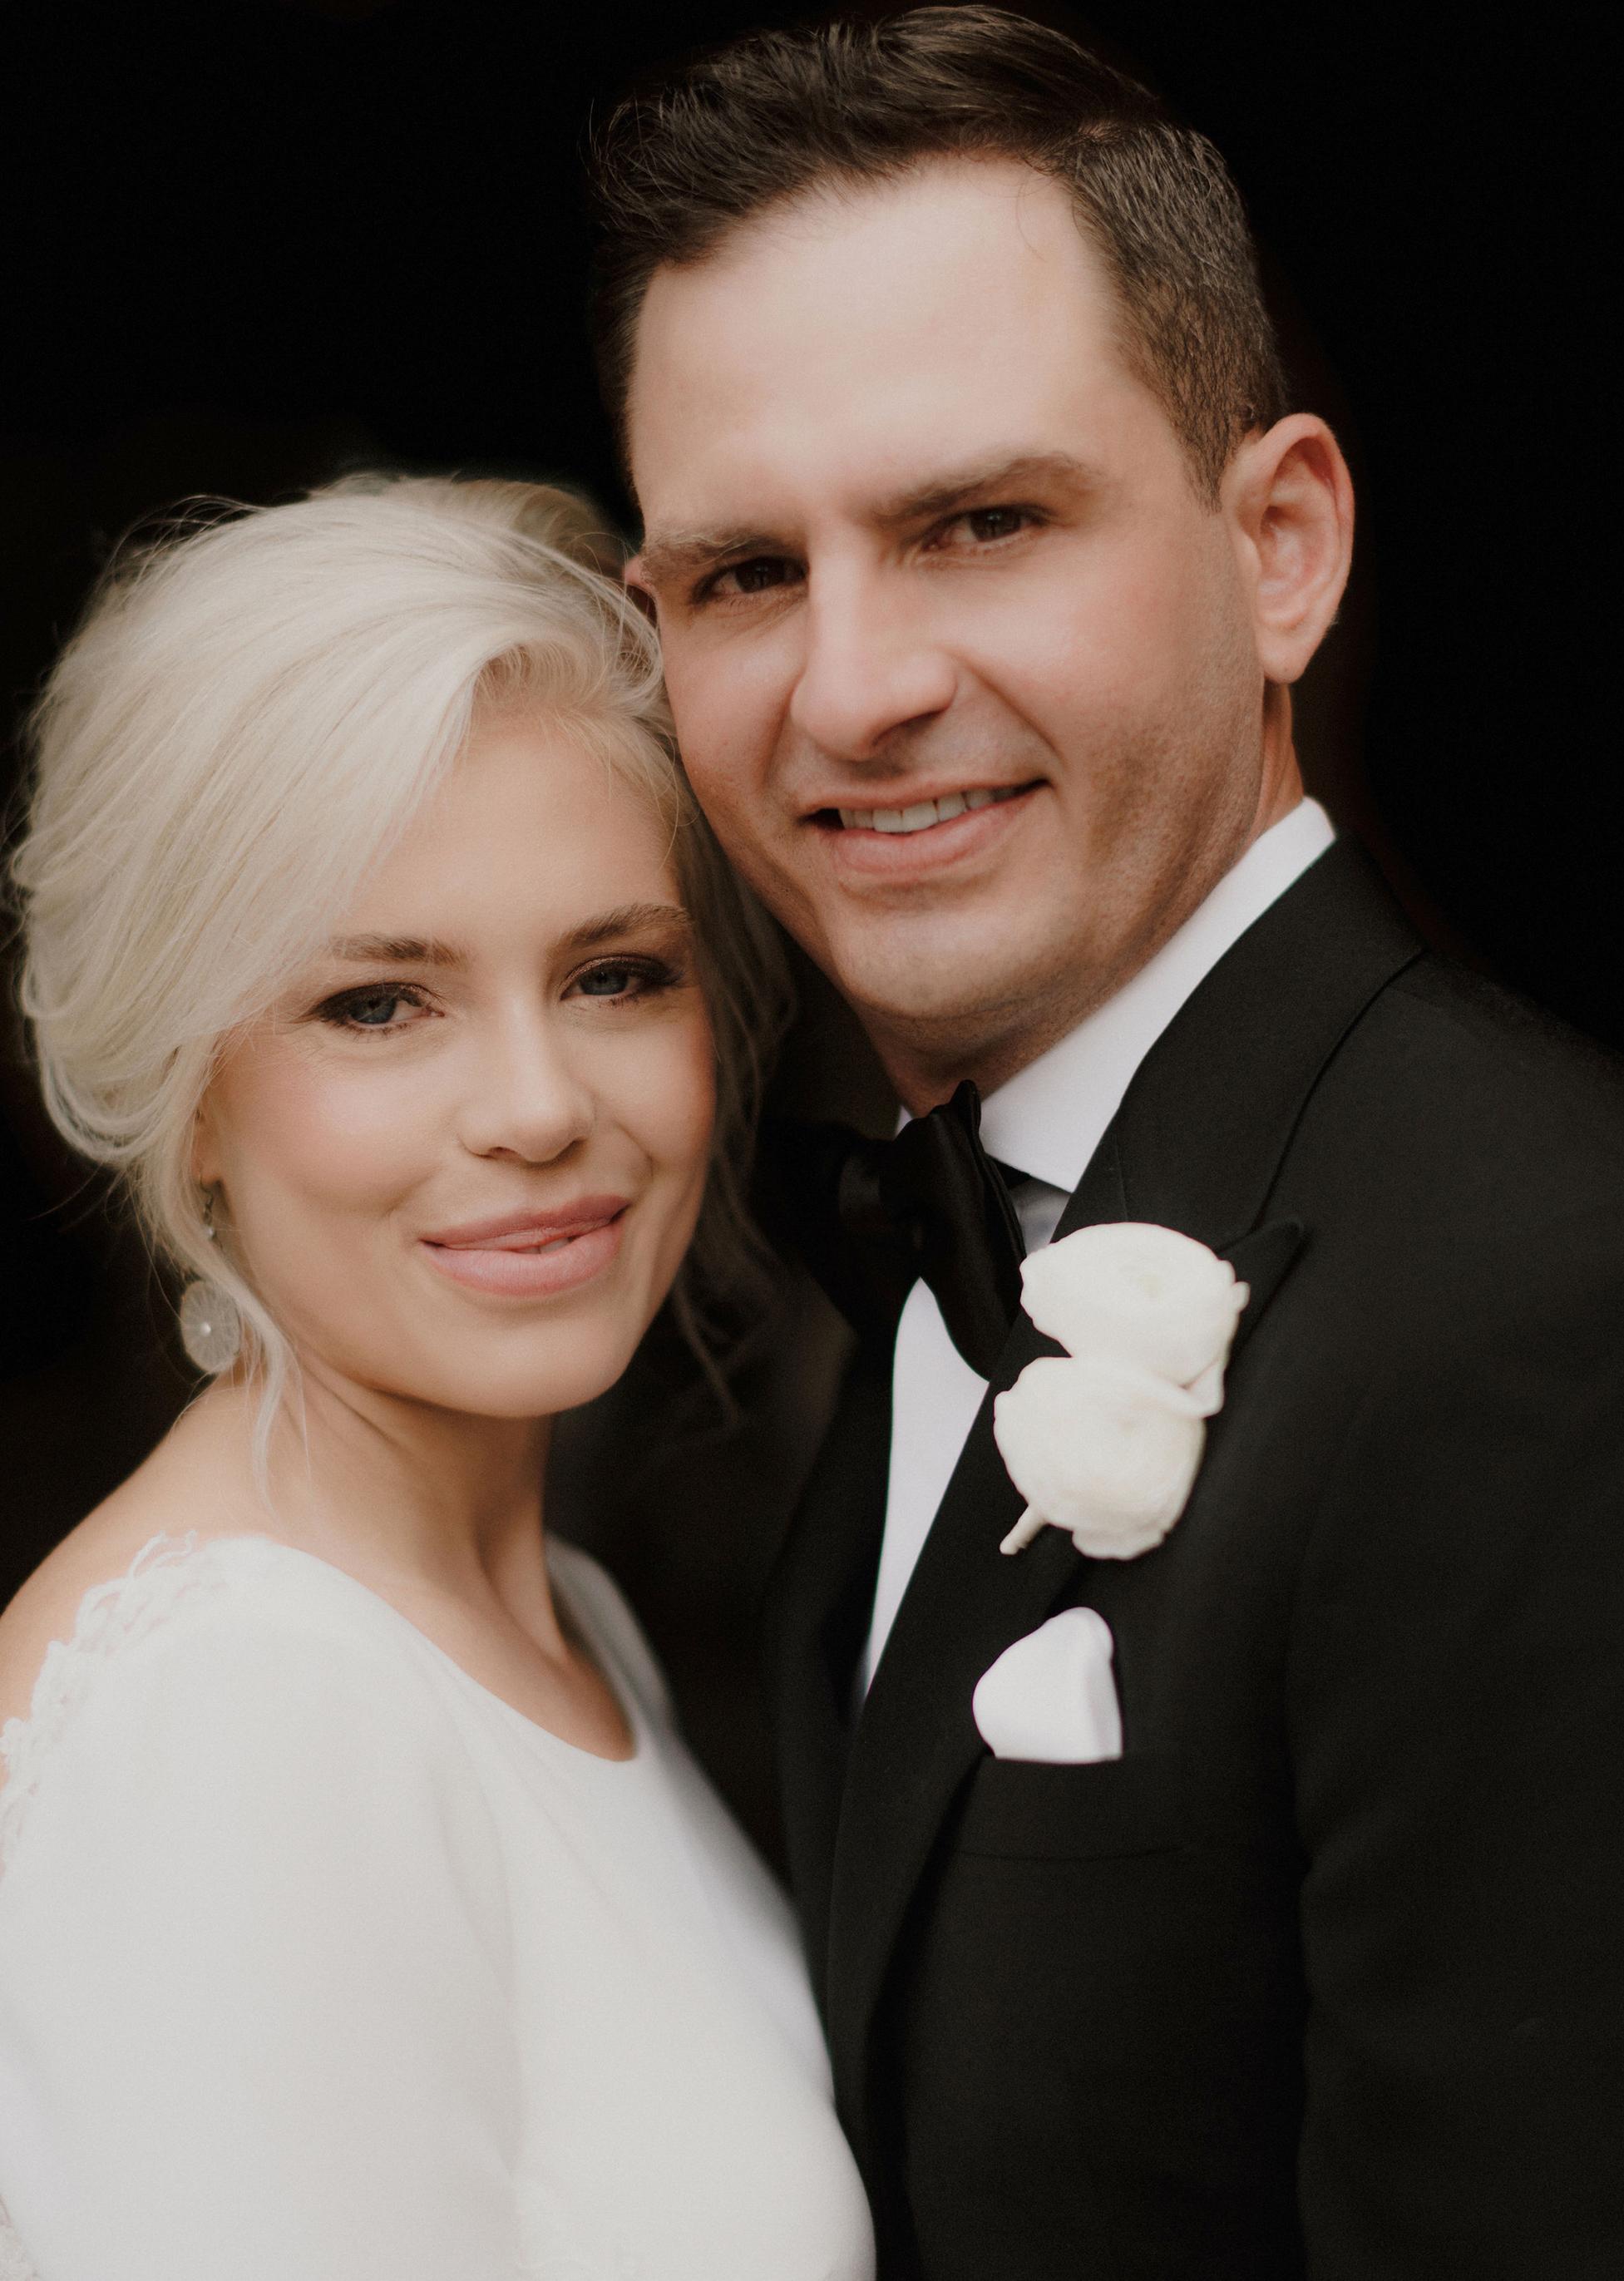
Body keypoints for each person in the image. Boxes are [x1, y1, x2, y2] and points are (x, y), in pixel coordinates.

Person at [587, 10, 1624, 2276]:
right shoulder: (928, 1270)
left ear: (1281, 548)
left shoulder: (1544, 1295)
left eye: (980, 523)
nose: (851, 688)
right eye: (746, 574)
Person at [0, 476, 876, 2280]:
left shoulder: (552, 1614)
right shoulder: (241, 1705)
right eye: (379, 1003)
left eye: (615, 974)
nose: (542, 1106)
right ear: (192, 1089)